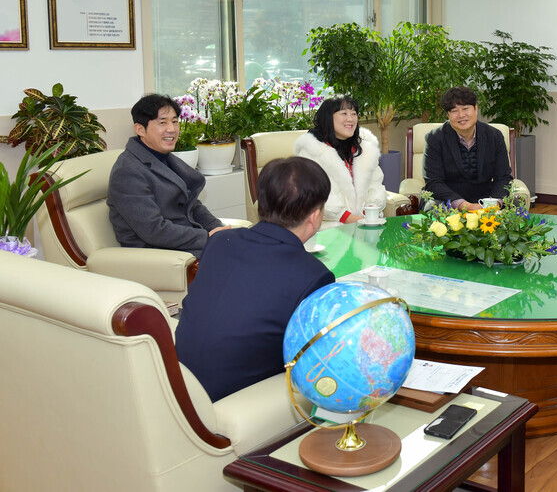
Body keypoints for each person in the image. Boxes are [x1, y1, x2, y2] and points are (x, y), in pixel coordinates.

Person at [175, 156, 336, 401]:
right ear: (314, 216)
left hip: (183, 386)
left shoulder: (219, 242)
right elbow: (315, 360)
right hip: (241, 399)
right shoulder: (314, 275)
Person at [108, 94, 229, 258]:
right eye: (162, 122)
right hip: (156, 252)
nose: (171, 129)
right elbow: (153, 230)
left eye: (174, 121)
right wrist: (207, 237)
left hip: (183, 242)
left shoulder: (164, 157)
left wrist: (218, 229)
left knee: (246, 246)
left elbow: (192, 205)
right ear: (140, 129)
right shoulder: (128, 171)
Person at [294, 95, 386, 225]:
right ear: (328, 118)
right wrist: (348, 218)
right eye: (344, 113)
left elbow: (375, 185)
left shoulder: (364, 149)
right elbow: (313, 194)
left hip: (367, 221)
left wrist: (369, 213)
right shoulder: (310, 151)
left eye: (354, 114)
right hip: (328, 225)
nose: (350, 119)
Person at [423, 86, 513, 211]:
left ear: (476, 108)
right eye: (454, 111)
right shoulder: (435, 138)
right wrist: (465, 205)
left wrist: (493, 204)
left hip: (485, 199)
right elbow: (433, 182)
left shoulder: (494, 136)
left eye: (466, 108)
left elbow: (503, 177)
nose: (461, 115)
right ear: (448, 114)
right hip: (448, 201)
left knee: (516, 206)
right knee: (433, 208)